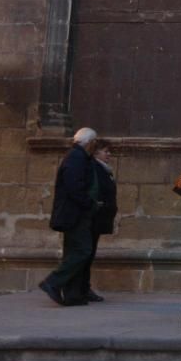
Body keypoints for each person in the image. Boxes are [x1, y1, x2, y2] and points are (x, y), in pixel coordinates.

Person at [40, 127, 101, 306]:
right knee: (82, 250)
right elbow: (74, 186)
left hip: (76, 214)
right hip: (75, 215)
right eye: (94, 142)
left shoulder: (80, 157)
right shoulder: (75, 158)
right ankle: (53, 281)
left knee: (74, 252)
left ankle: (72, 293)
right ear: (88, 143)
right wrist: (89, 203)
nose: (95, 146)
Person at [79, 138, 118, 303]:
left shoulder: (103, 168)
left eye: (109, 151)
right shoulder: (95, 167)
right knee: (87, 253)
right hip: (94, 216)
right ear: (96, 152)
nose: (109, 154)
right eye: (105, 151)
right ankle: (82, 288)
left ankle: (83, 287)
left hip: (100, 216)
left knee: (90, 252)